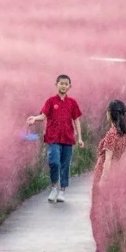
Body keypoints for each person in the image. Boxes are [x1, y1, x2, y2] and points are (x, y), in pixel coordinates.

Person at [26, 74, 85, 203]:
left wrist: (80, 138)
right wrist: (34, 118)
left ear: (70, 86)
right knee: (54, 162)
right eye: (61, 83)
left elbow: (77, 120)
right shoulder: (51, 101)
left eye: (66, 84)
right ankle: (54, 187)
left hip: (68, 138)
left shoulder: (72, 103)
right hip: (53, 137)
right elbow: (43, 116)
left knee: (65, 165)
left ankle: (62, 191)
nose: (63, 86)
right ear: (56, 84)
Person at [90, 100, 126, 252]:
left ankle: (101, 248)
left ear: (110, 114)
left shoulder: (111, 134)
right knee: (109, 211)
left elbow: (107, 160)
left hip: (104, 174)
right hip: (116, 175)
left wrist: (102, 180)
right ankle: (109, 245)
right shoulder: (123, 135)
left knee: (97, 212)